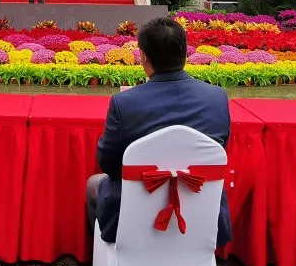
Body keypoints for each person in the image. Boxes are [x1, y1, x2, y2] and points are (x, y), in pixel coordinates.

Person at [86, 17, 231, 248]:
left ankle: (115, 253)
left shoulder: (125, 103)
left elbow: (109, 164)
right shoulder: (216, 98)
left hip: (132, 218)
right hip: (204, 216)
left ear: (143, 56)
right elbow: (218, 151)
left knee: (94, 184)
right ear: (185, 53)